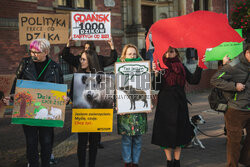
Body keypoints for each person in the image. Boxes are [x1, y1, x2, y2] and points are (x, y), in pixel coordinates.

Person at [3, 39, 64, 167]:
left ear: (46, 52)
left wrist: (65, 98)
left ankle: (46, 163)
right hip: (28, 109)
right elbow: (16, 82)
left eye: (37, 52)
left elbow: (60, 86)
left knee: (46, 142)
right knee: (31, 142)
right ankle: (33, 163)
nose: (33, 55)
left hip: (47, 111)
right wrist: (13, 94)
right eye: (31, 52)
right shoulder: (25, 64)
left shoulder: (55, 67)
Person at [151, 46, 203, 167]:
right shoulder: (161, 67)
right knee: (166, 134)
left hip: (180, 104)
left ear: (176, 53)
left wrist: (200, 65)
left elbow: (194, 80)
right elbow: (156, 87)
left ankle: (177, 161)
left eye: (172, 51)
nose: (169, 54)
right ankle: (169, 161)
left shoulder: (182, 67)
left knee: (180, 133)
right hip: (165, 105)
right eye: (167, 52)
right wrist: (156, 73)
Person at [210, 45, 250, 167]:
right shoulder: (234, 64)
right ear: (247, 52)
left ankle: (246, 161)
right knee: (234, 141)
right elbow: (215, 80)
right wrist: (234, 86)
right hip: (236, 110)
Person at [69, 50, 102, 167]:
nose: (80, 61)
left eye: (83, 59)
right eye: (81, 59)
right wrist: (68, 99)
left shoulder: (100, 76)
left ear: (90, 60)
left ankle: (91, 164)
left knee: (93, 143)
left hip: (95, 115)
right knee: (82, 143)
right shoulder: (77, 76)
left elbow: (105, 96)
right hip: (82, 113)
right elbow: (71, 94)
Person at [116, 44, 148, 167]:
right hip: (125, 111)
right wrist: (117, 104)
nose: (132, 56)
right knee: (126, 139)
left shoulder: (143, 66)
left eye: (134, 54)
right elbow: (116, 88)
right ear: (124, 55)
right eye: (129, 54)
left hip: (139, 111)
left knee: (138, 139)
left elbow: (147, 86)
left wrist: (147, 104)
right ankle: (127, 162)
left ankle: (135, 163)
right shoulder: (118, 67)